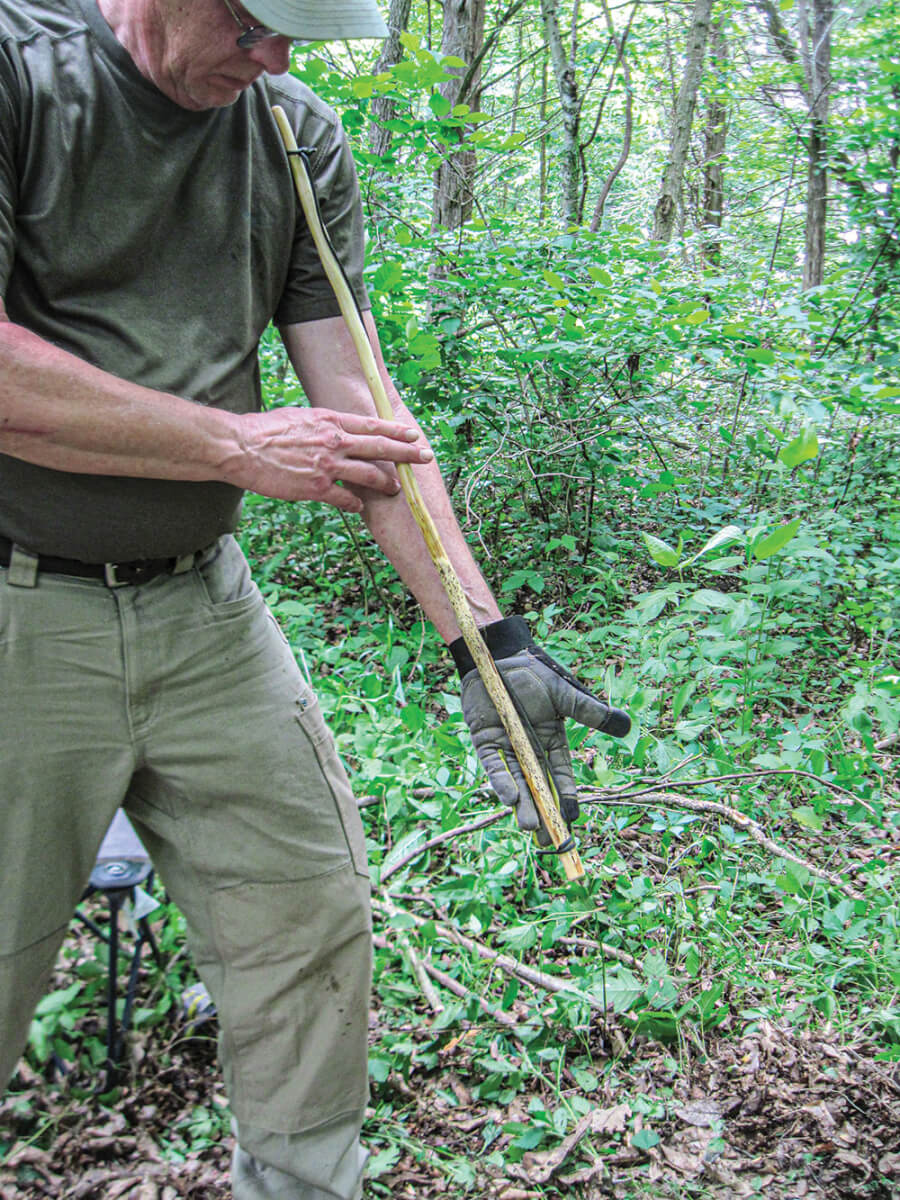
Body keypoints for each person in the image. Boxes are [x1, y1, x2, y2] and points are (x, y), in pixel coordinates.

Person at [0, 1, 630, 1196]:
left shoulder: (287, 135)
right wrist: (231, 444)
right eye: (251, 25)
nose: (276, 59)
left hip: (204, 611)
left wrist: (490, 649)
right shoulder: (24, 75)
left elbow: (364, 416)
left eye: (296, 36)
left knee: (308, 920)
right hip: (19, 612)